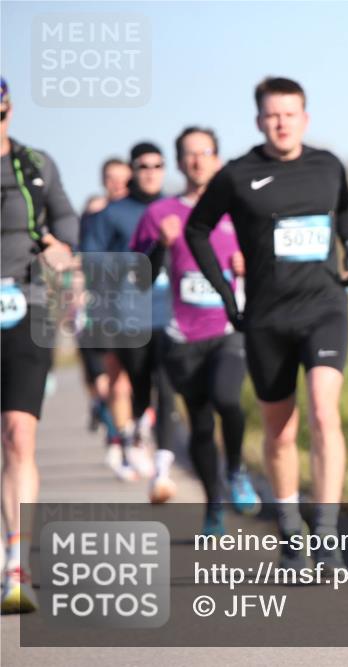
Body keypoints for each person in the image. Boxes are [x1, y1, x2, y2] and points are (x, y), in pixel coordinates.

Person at [186, 77, 348, 569]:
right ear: (259, 121)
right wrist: (226, 292)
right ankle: (289, 527)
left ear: (305, 118)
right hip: (267, 317)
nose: (282, 122)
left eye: (290, 113)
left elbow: (346, 211)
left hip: (325, 307)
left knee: (325, 414)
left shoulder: (327, 165)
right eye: (272, 115)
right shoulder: (239, 174)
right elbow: (196, 228)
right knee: (280, 430)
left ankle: (326, 531)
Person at [130, 126, 260, 528]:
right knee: (201, 427)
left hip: (228, 328)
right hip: (183, 337)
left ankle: (237, 469)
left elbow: (269, 267)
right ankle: (213, 505)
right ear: (180, 161)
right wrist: (159, 248)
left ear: (217, 158)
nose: (197, 160)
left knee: (228, 400)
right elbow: (136, 281)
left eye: (204, 152)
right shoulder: (160, 215)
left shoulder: (238, 210)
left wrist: (247, 266)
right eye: (189, 153)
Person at [0, 76, 78, 614]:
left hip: (27, 308)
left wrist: (64, 248)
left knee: (17, 434)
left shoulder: (34, 164)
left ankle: (15, 565)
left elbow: (67, 218)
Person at [81, 141, 176, 482]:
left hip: (172, 315)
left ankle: (162, 467)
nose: (150, 172)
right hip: (127, 317)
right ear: (132, 171)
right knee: (134, 386)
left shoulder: (176, 208)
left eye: (157, 165)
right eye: (143, 166)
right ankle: (131, 433)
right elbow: (92, 264)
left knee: (165, 388)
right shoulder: (111, 214)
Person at [77, 158, 131, 436]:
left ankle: (128, 430)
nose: (118, 184)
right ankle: (119, 435)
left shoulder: (140, 213)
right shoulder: (93, 217)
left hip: (137, 306)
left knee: (130, 381)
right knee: (109, 378)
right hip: (101, 306)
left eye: (123, 178)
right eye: (111, 178)